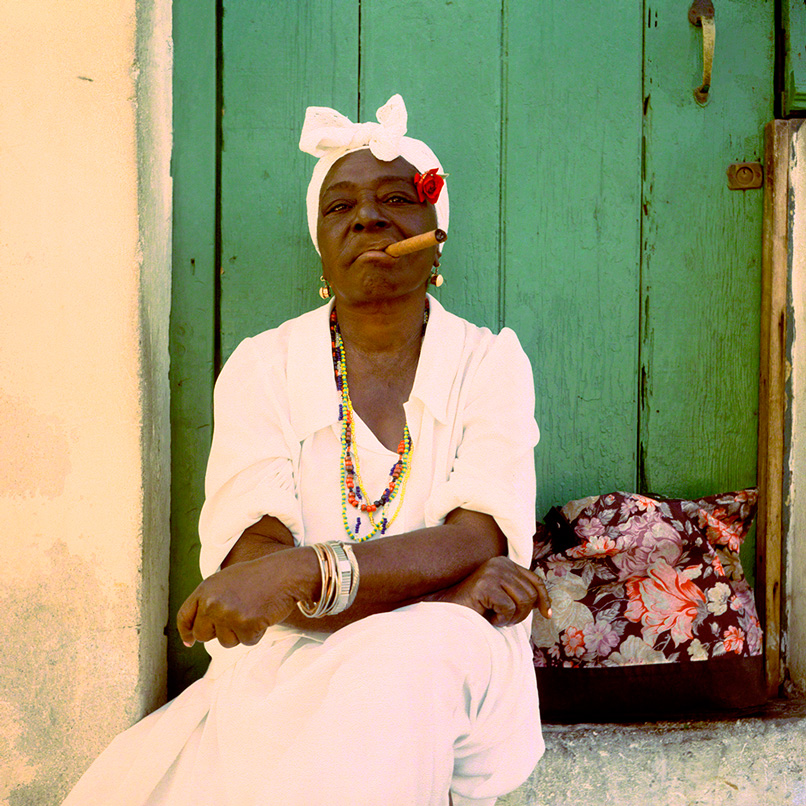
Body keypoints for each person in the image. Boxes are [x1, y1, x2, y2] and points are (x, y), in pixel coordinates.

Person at [63, 94, 549, 806]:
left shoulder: (489, 364)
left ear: (436, 235)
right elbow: (251, 572)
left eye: (396, 199)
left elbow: (476, 540)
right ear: (321, 246)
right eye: (340, 206)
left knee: (407, 660)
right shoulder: (264, 367)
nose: (367, 218)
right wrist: (445, 592)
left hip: (451, 661)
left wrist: (300, 573)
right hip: (290, 667)